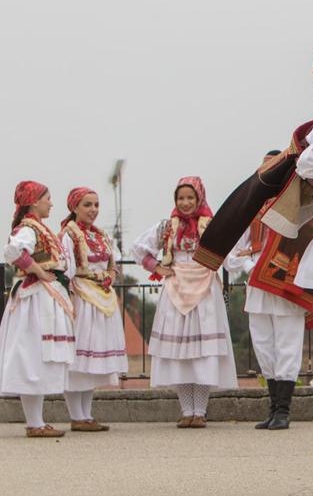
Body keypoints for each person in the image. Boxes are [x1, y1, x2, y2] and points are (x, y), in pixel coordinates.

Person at [132, 177, 237, 428]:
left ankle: (199, 410)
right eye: (181, 198)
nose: (186, 202)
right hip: (176, 286)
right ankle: (186, 409)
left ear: (199, 197)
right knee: (179, 352)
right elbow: (138, 249)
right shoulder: (168, 226)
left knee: (203, 352)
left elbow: (228, 253)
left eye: (190, 197)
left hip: (205, 288)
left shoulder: (211, 224)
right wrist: (157, 267)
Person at [225, 151, 313, 430]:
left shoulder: (303, 209)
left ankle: (284, 411)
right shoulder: (253, 209)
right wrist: (254, 264)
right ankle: (273, 407)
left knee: (287, 347)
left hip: (287, 287)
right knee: (264, 347)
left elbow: (311, 245)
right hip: (258, 287)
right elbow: (233, 253)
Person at [0, 182, 74, 437]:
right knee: (32, 356)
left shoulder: (39, 228)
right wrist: (40, 271)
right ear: (34, 201)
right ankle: (34, 423)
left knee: (36, 358)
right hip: (34, 300)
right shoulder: (29, 229)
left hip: (42, 297)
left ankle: (37, 422)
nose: (51, 203)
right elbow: (12, 251)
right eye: (47, 198)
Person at [59, 187, 128, 431]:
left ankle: (86, 415)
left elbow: (112, 263)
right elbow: (64, 267)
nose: (93, 210)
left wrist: (109, 276)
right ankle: (76, 415)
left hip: (102, 297)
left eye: (96, 205)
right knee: (78, 356)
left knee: (92, 361)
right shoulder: (68, 234)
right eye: (87, 205)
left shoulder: (100, 236)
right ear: (74, 207)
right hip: (81, 296)